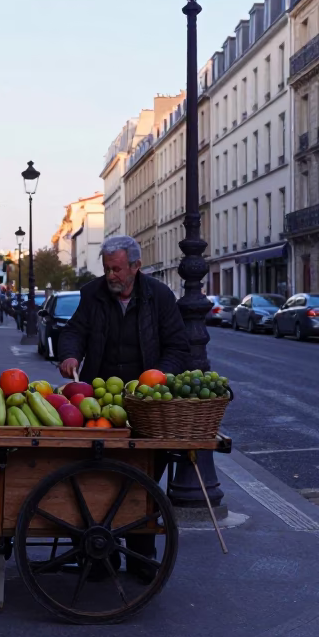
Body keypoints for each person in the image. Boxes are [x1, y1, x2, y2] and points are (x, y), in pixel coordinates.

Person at [55, 235, 190, 582]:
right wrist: (69, 355)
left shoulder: (159, 296)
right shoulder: (92, 293)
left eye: (116, 269)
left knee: (142, 480)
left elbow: (178, 346)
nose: (110, 275)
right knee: (94, 478)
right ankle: (100, 556)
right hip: (101, 403)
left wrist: (157, 379)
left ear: (135, 267)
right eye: (106, 269)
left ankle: (142, 555)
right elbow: (74, 331)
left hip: (147, 404)